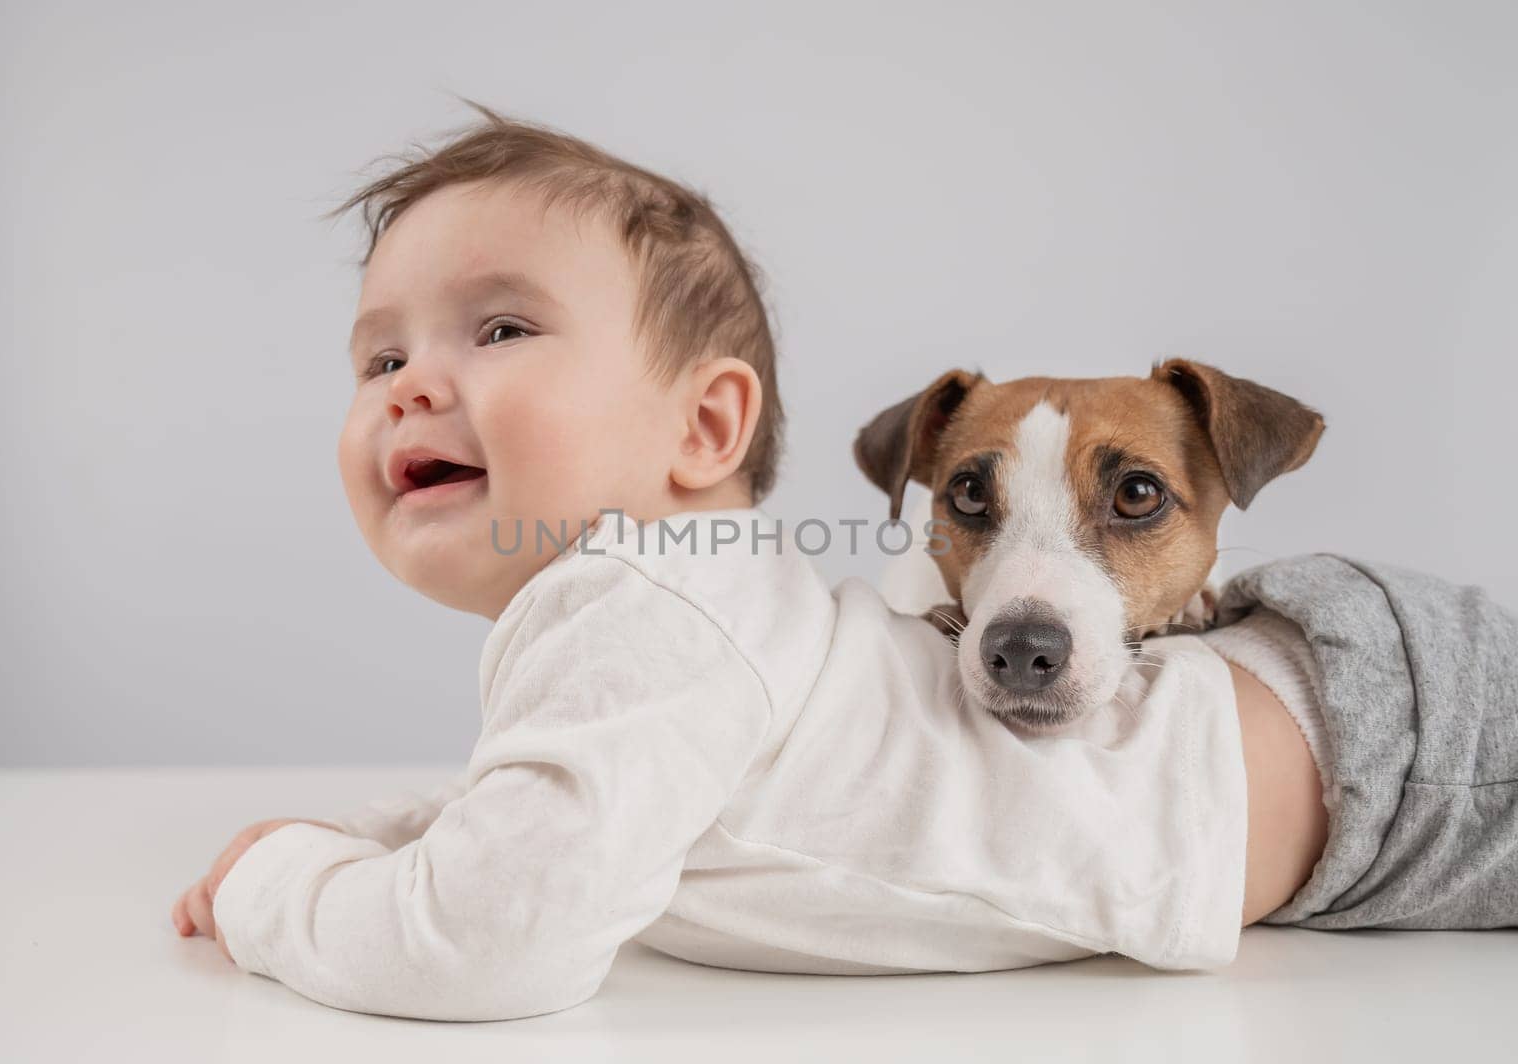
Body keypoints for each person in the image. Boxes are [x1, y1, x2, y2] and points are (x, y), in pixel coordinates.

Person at [170, 105, 1512, 1022]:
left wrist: (275, 894)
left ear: (708, 428)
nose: (412, 390)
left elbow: (494, 936)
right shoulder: (672, 629)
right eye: (382, 359)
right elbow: (551, 822)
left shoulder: (654, 615)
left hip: (1410, 760)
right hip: (1354, 788)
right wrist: (357, 837)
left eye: (500, 328)